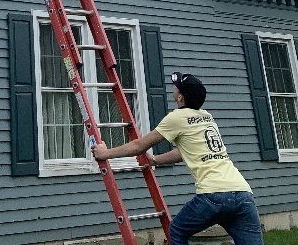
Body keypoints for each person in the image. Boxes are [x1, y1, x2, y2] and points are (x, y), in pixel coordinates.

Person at [92, 71, 263, 245]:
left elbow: (139, 146)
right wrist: (156, 160)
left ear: (180, 98)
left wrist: (105, 153)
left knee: (176, 232)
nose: (173, 88)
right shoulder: (207, 117)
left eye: (176, 87)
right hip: (242, 194)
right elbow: (186, 152)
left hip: (213, 195)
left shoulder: (177, 118)